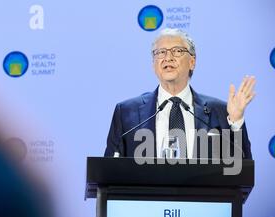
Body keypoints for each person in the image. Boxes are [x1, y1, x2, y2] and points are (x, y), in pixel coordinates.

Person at [104, 28, 255, 159]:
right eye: (161, 52)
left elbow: (238, 169)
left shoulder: (220, 112)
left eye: (177, 51)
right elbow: (110, 172)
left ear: (192, 62)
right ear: (153, 64)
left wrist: (236, 123)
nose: (168, 58)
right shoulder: (126, 112)